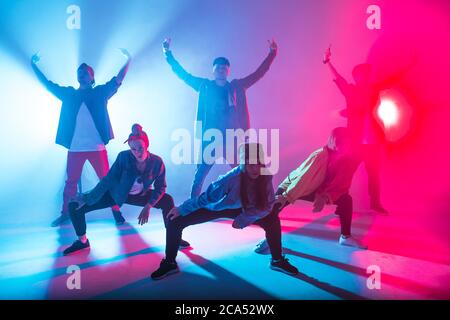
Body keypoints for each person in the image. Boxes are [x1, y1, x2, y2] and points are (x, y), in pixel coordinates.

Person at [150, 142, 299, 280]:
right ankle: (170, 262)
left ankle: (277, 260)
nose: (255, 169)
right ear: (243, 163)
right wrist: (182, 209)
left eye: (258, 164)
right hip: (222, 206)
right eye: (250, 164)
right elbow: (206, 198)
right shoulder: (231, 178)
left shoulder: (265, 175)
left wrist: (243, 219)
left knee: (272, 218)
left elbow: (266, 206)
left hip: (246, 209)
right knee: (174, 219)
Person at [162, 38, 278, 198]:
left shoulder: (237, 86)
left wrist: (272, 53)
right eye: (218, 68)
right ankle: (191, 206)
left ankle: (246, 203)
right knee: (200, 174)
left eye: (224, 68)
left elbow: (258, 74)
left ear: (228, 71)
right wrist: (167, 53)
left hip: (232, 138)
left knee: (242, 172)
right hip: (210, 138)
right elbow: (183, 75)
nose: (221, 70)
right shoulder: (204, 86)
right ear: (213, 70)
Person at [31, 49, 132, 227]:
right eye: (79, 73)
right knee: (70, 183)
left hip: (97, 147)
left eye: (85, 73)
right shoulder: (70, 94)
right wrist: (33, 65)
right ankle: (65, 213)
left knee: (107, 181)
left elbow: (118, 79)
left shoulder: (100, 92)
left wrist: (129, 60)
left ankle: (116, 211)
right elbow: (47, 84)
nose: (82, 75)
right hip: (75, 148)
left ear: (92, 77)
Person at [62, 124, 190, 255]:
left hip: (141, 195)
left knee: (168, 200)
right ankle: (82, 242)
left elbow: (161, 187)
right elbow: (108, 179)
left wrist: (148, 206)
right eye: (133, 149)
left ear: (146, 145)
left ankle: (175, 238)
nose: (137, 152)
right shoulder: (123, 157)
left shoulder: (157, 162)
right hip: (117, 194)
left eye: (140, 148)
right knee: (74, 205)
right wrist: (88, 199)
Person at [322, 47, 412, 214]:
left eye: (367, 74)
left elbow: (391, 80)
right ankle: (341, 204)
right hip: (355, 142)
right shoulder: (350, 90)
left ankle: (375, 203)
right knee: (346, 174)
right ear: (356, 77)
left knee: (374, 174)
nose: (365, 77)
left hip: (373, 142)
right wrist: (328, 62)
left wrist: (407, 66)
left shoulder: (373, 90)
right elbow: (339, 79)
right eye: (362, 74)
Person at [254, 128, 368, 254]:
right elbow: (303, 179)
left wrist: (325, 197)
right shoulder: (320, 155)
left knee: (346, 200)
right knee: (275, 206)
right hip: (294, 184)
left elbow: (342, 185)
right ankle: (270, 240)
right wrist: (287, 196)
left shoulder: (348, 158)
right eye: (340, 143)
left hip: (318, 189)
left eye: (346, 143)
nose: (342, 147)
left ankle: (345, 237)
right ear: (334, 142)